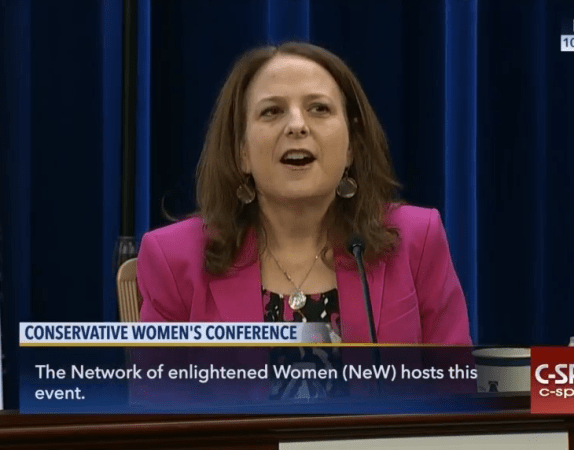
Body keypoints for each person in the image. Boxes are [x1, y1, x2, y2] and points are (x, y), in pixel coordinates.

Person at [137, 42, 471, 344]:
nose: (297, 125)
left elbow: (454, 384)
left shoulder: (416, 241)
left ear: (351, 147)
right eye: (272, 111)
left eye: (319, 109)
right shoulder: (174, 260)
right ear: (242, 152)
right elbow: (159, 393)